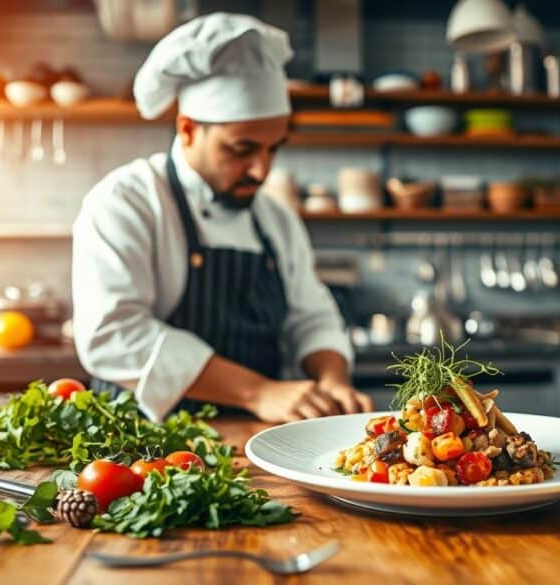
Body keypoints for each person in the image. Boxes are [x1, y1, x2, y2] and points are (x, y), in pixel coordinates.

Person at [72, 13, 372, 423]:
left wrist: (333, 379)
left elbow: (312, 317)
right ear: (188, 129)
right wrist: (258, 391)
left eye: (273, 148)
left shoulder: (276, 219)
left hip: (256, 442)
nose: (261, 171)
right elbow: (114, 335)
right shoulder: (127, 202)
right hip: (140, 444)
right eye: (241, 149)